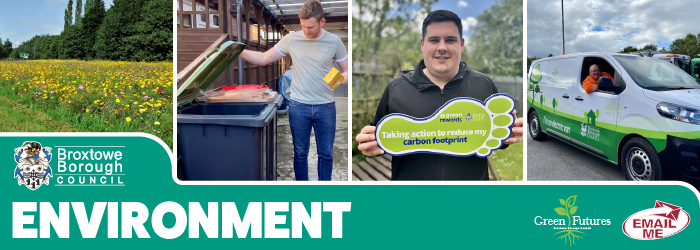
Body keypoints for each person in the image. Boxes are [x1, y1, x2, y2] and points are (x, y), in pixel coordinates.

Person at [355, 10, 523, 180]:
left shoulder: (484, 85)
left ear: (462, 44)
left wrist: (510, 134)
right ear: (422, 44)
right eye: (434, 40)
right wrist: (368, 145)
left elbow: (496, 138)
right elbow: (379, 138)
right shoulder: (396, 89)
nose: (442, 47)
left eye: (450, 40)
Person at [239, 0, 348, 181]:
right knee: (299, 154)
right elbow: (264, 57)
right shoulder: (291, 39)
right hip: (299, 106)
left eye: (310, 27)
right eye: (303, 26)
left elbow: (346, 68)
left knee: (326, 155)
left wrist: (345, 75)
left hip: (326, 107)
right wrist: (238, 52)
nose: (306, 31)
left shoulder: (335, 41)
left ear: (322, 22)